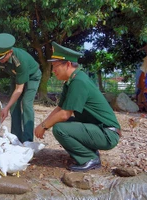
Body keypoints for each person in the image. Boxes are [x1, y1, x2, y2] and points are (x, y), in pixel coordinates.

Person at [35, 42, 121, 172]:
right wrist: (43, 124)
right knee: (62, 124)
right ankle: (90, 152)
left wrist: (44, 126)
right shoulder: (71, 81)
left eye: (55, 66)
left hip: (107, 133)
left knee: (60, 128)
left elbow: (65, 114)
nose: (53, 71)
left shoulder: (79, 81)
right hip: (99, 129)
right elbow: (59, 108)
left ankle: (89, 158)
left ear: (68, 64)